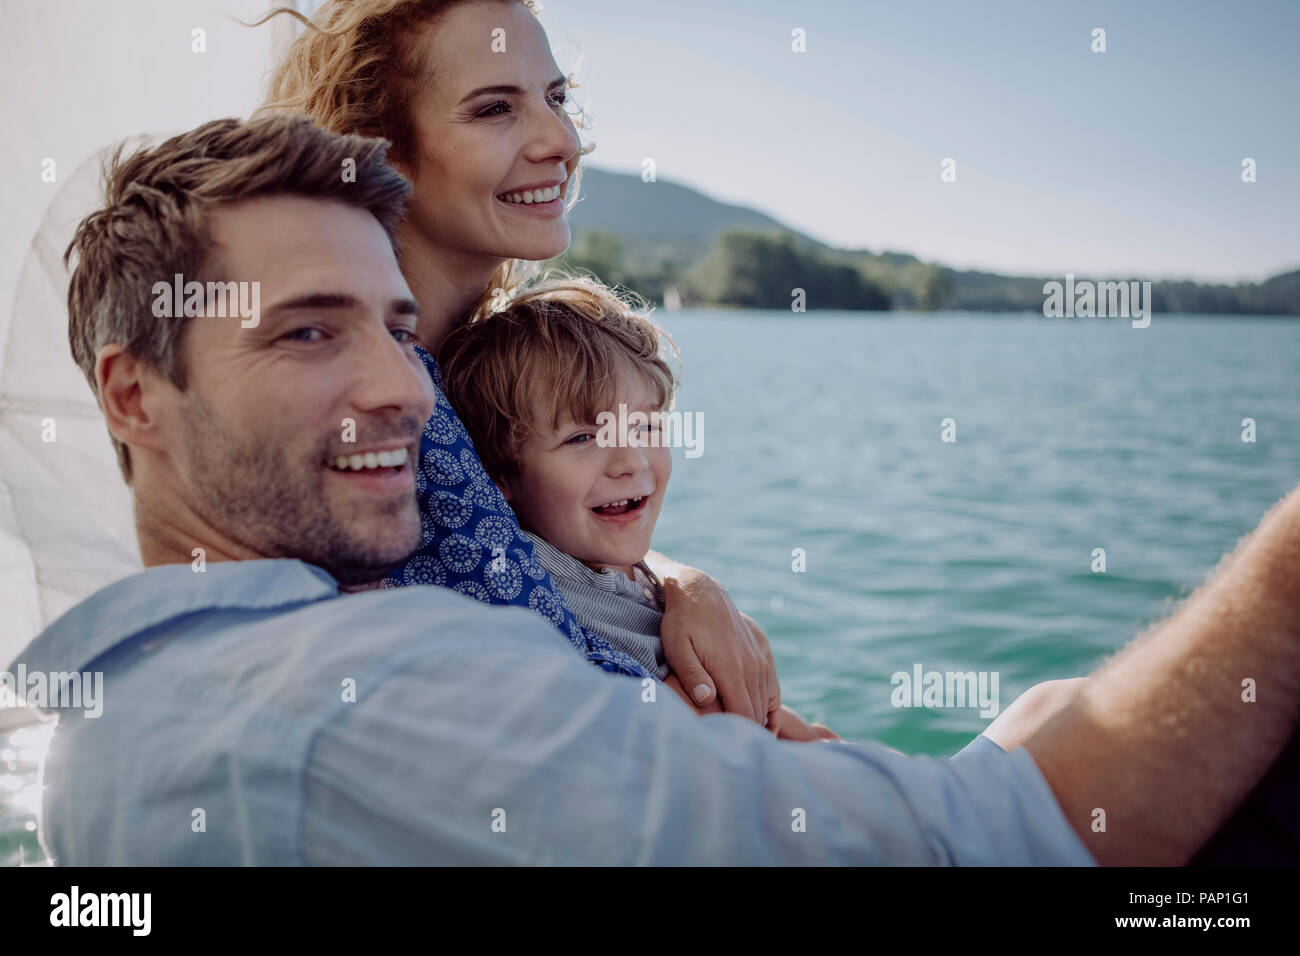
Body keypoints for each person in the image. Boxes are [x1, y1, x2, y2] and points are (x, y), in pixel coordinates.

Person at [16, 114, 1300, 865]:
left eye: (400, 332)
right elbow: (1002, 842)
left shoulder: (132, 695)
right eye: (307, 331)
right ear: (133, 394)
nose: (401, 389)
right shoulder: (361, 692)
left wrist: (676, 580)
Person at [255, 0, 782, 725]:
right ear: (378, 153)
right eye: (495, 108)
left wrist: (681, 583)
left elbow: (535, 555)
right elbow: (575, 695)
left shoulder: (485, 362)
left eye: (557, 98)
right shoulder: (379, 397)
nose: (564, 140)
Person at [435, 276, 837, 738]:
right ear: (500, 474)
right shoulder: (536, 584)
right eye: (582, 438)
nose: (632, 461)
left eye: (645, 427)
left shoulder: (628, 572)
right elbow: (705, 720)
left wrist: (809, 736)